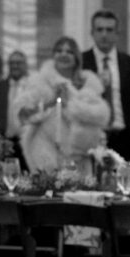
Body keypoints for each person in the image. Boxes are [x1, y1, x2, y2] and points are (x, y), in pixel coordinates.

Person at [18, 36, 110, 175]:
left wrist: (71, 105)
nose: (63, 54)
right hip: (47, 149)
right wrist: (52, 101)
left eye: (69, 52)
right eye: (59, 51)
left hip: (80, 155)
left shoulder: (90, 83)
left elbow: (101, 116)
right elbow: (23, 114)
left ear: (76, 57)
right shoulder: (39, 82)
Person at [81, 9, 130, 161]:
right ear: (92, 33)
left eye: (109, 30)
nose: (104, 35)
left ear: (117, 33)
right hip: (93, 137)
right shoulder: (81, 62)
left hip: (125, 138)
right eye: (100, 29)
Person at [0, 49, 30, 159]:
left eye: (19, 63)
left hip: (27, 142)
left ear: (25, 65)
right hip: (6, 143)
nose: (15, 66)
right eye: (12, 63)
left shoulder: (32, 86)